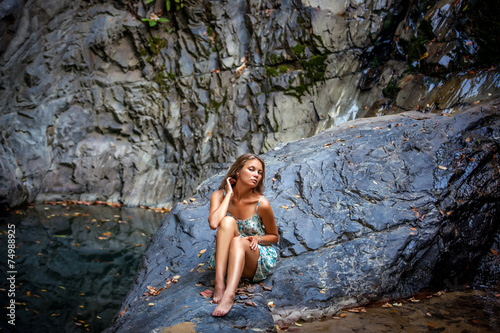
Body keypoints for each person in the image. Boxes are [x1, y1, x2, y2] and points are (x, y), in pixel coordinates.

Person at [207, 153, 279, 317]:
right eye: (251, 169)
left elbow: (274, 236)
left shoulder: (261, 203)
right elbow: (213, 223)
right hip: (227, 258)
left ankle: (229, 295)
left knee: (238, 242)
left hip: (253, 258)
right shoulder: (219, 195)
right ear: (238, 171)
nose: (256, 175)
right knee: (226, 222)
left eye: (260, 172)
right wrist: (229, 196)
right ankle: (219, 283)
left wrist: (258, 238)